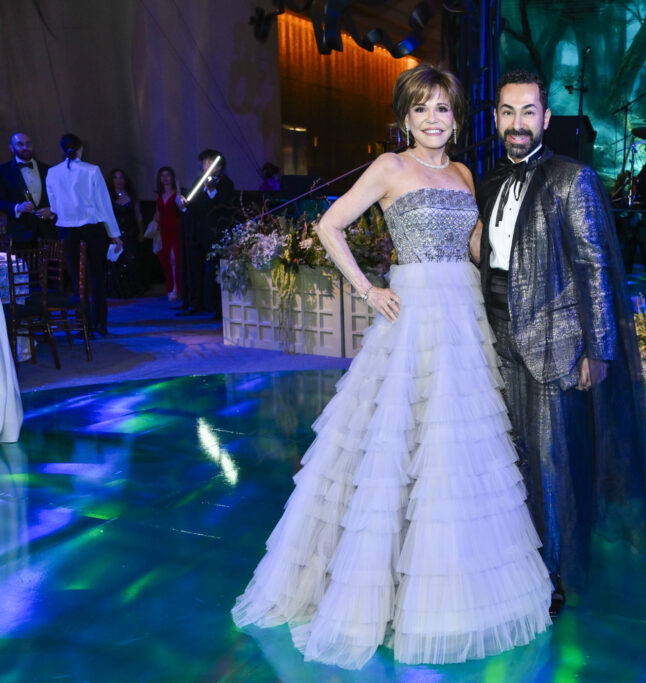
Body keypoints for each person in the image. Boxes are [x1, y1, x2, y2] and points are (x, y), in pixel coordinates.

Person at [232, 64, 551, 669]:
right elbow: (330, 226)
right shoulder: (388, 167)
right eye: (422, 109)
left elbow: (479, 248)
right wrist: (368, 290)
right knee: (392, 450)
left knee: (457, 455)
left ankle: (455, 595)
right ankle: (377, 594)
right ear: (404, 117)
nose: (433, 119)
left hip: (463, 317)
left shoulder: (462, 173)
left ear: (458, 119)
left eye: (443, 109)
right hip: (413, 318)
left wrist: (529, 237)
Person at [473, 69, 646, 616]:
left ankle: (549, 577)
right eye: (508, 112)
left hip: (553, 338)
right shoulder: (489, 180)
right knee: (505, 454)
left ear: (546, 118)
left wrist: (598, 351)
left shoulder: (574, 179)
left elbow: (597, 268)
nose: (518, 123)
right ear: (497, 118)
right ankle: (506, 559)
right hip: (493, 329)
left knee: (551, 462)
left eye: (529, 112)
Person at [45, 134, 123, 337]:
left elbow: (53, 206)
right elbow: (104, 204)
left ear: (63, 150)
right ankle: (100, 324)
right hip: (92, 228)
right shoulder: (92, 170)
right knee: (96, 276)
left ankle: (84, 325)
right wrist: (114, 233)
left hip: (67, 230)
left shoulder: (52, 173)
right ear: (80, 149)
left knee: (78, 280)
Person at [176, 150, 234, 317]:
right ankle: (195, 303)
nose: (206, 165)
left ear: (219, 166)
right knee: (194, 268)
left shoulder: (225, 183)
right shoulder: (198, 181)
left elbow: (222, 206)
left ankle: (217, 308)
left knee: (215, 271)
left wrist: (211, 191)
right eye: (205, 162)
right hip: (196, 232)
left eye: (210, 162)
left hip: (213, 233)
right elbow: (192, 203)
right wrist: (183, 204)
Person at [0, 133, 56, 247]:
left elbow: (60, 197)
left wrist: (52, 210)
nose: (25, 147)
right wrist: (17, 207)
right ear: (11, 148)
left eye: (28, 144)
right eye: (20, 144)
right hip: (20, 234)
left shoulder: (49, 170)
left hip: (49, 233)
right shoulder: (3, 171)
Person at [106, 169, 145, 298]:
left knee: (131, 259)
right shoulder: (109, 197)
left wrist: (141, 231)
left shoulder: (131, 196)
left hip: (130, 232)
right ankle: (117, 289)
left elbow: (138, 215)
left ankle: (132, 288)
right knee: (116, 262)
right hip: (115, 233)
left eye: (121, 177)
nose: (118, 180)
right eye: (115, 178)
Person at [154, 166, 183, 302]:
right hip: (163, 229)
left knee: (175, 258)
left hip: (176, 228)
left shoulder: (176, 193)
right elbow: (157, 214)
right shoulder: (159, 195)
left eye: (168, 175)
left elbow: (181, 207)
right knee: (166, 259)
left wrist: (178, 188)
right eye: (162, 175)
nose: (165, 178)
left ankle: (177, 288)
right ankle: (170, 286)